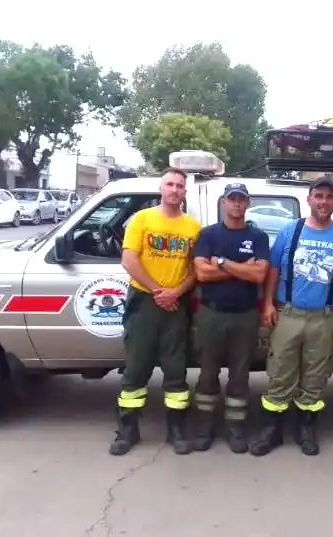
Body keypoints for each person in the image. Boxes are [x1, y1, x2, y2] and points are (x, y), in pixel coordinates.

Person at [250, 177, 333, 457]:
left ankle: (306, 430)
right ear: (309, 199)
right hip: (288, 314)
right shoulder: (292, 230)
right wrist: (267, 304)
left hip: (325, 318)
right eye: (318, 196)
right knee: (279, 374)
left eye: (329, 197)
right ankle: (272, 432)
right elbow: (274, 270)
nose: (323, 202)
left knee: (315, 377)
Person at [109, 168, 202, 457]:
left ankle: (177, 431)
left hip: (177, 303)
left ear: (185, 192)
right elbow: (129, 259)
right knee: (136, 369)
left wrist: (175, 292)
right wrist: (159, 291)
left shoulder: (193, 227)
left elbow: (196, 271)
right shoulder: (142, 219)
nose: (175, 190)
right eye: (170, 184)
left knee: (176, 371)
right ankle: (127, 431)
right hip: (145, 302)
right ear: (161, 188)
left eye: (180, 186)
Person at [192, 183, 270, 454]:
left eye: (241, 199)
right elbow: (202, 274)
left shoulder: (258, 237)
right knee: (207, 373)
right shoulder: (208, 235)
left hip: (246, 315)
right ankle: (204, 427)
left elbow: (259, 275)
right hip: (211, 313)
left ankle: (236, 428)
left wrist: (222, 263)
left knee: (240, 374)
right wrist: (240, 268)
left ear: (247, 204)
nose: (236, 204)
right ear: (224, 203)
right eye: (232, 199)